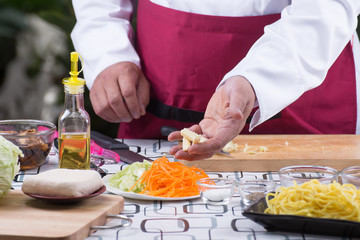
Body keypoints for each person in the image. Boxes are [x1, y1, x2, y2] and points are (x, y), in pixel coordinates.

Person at [71, 0, 360, 160]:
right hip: (159, 80)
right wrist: (107, 51)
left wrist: (257, 79)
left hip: (296, 66)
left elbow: (329, 7)